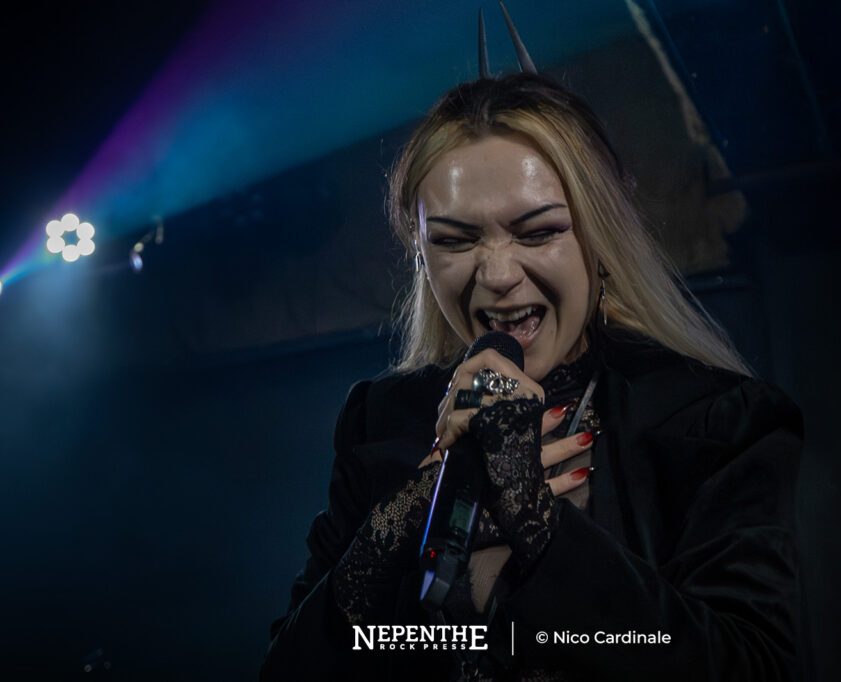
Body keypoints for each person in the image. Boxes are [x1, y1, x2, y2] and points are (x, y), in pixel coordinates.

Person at [260, 53, 802, 682]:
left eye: (538, 232)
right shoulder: (377, 422)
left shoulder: (716, 422)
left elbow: (751, 668)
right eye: (455, 241)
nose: (497, 275)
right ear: (422, 257)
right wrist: (405, 520)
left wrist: (536, 522)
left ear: (599, 238)